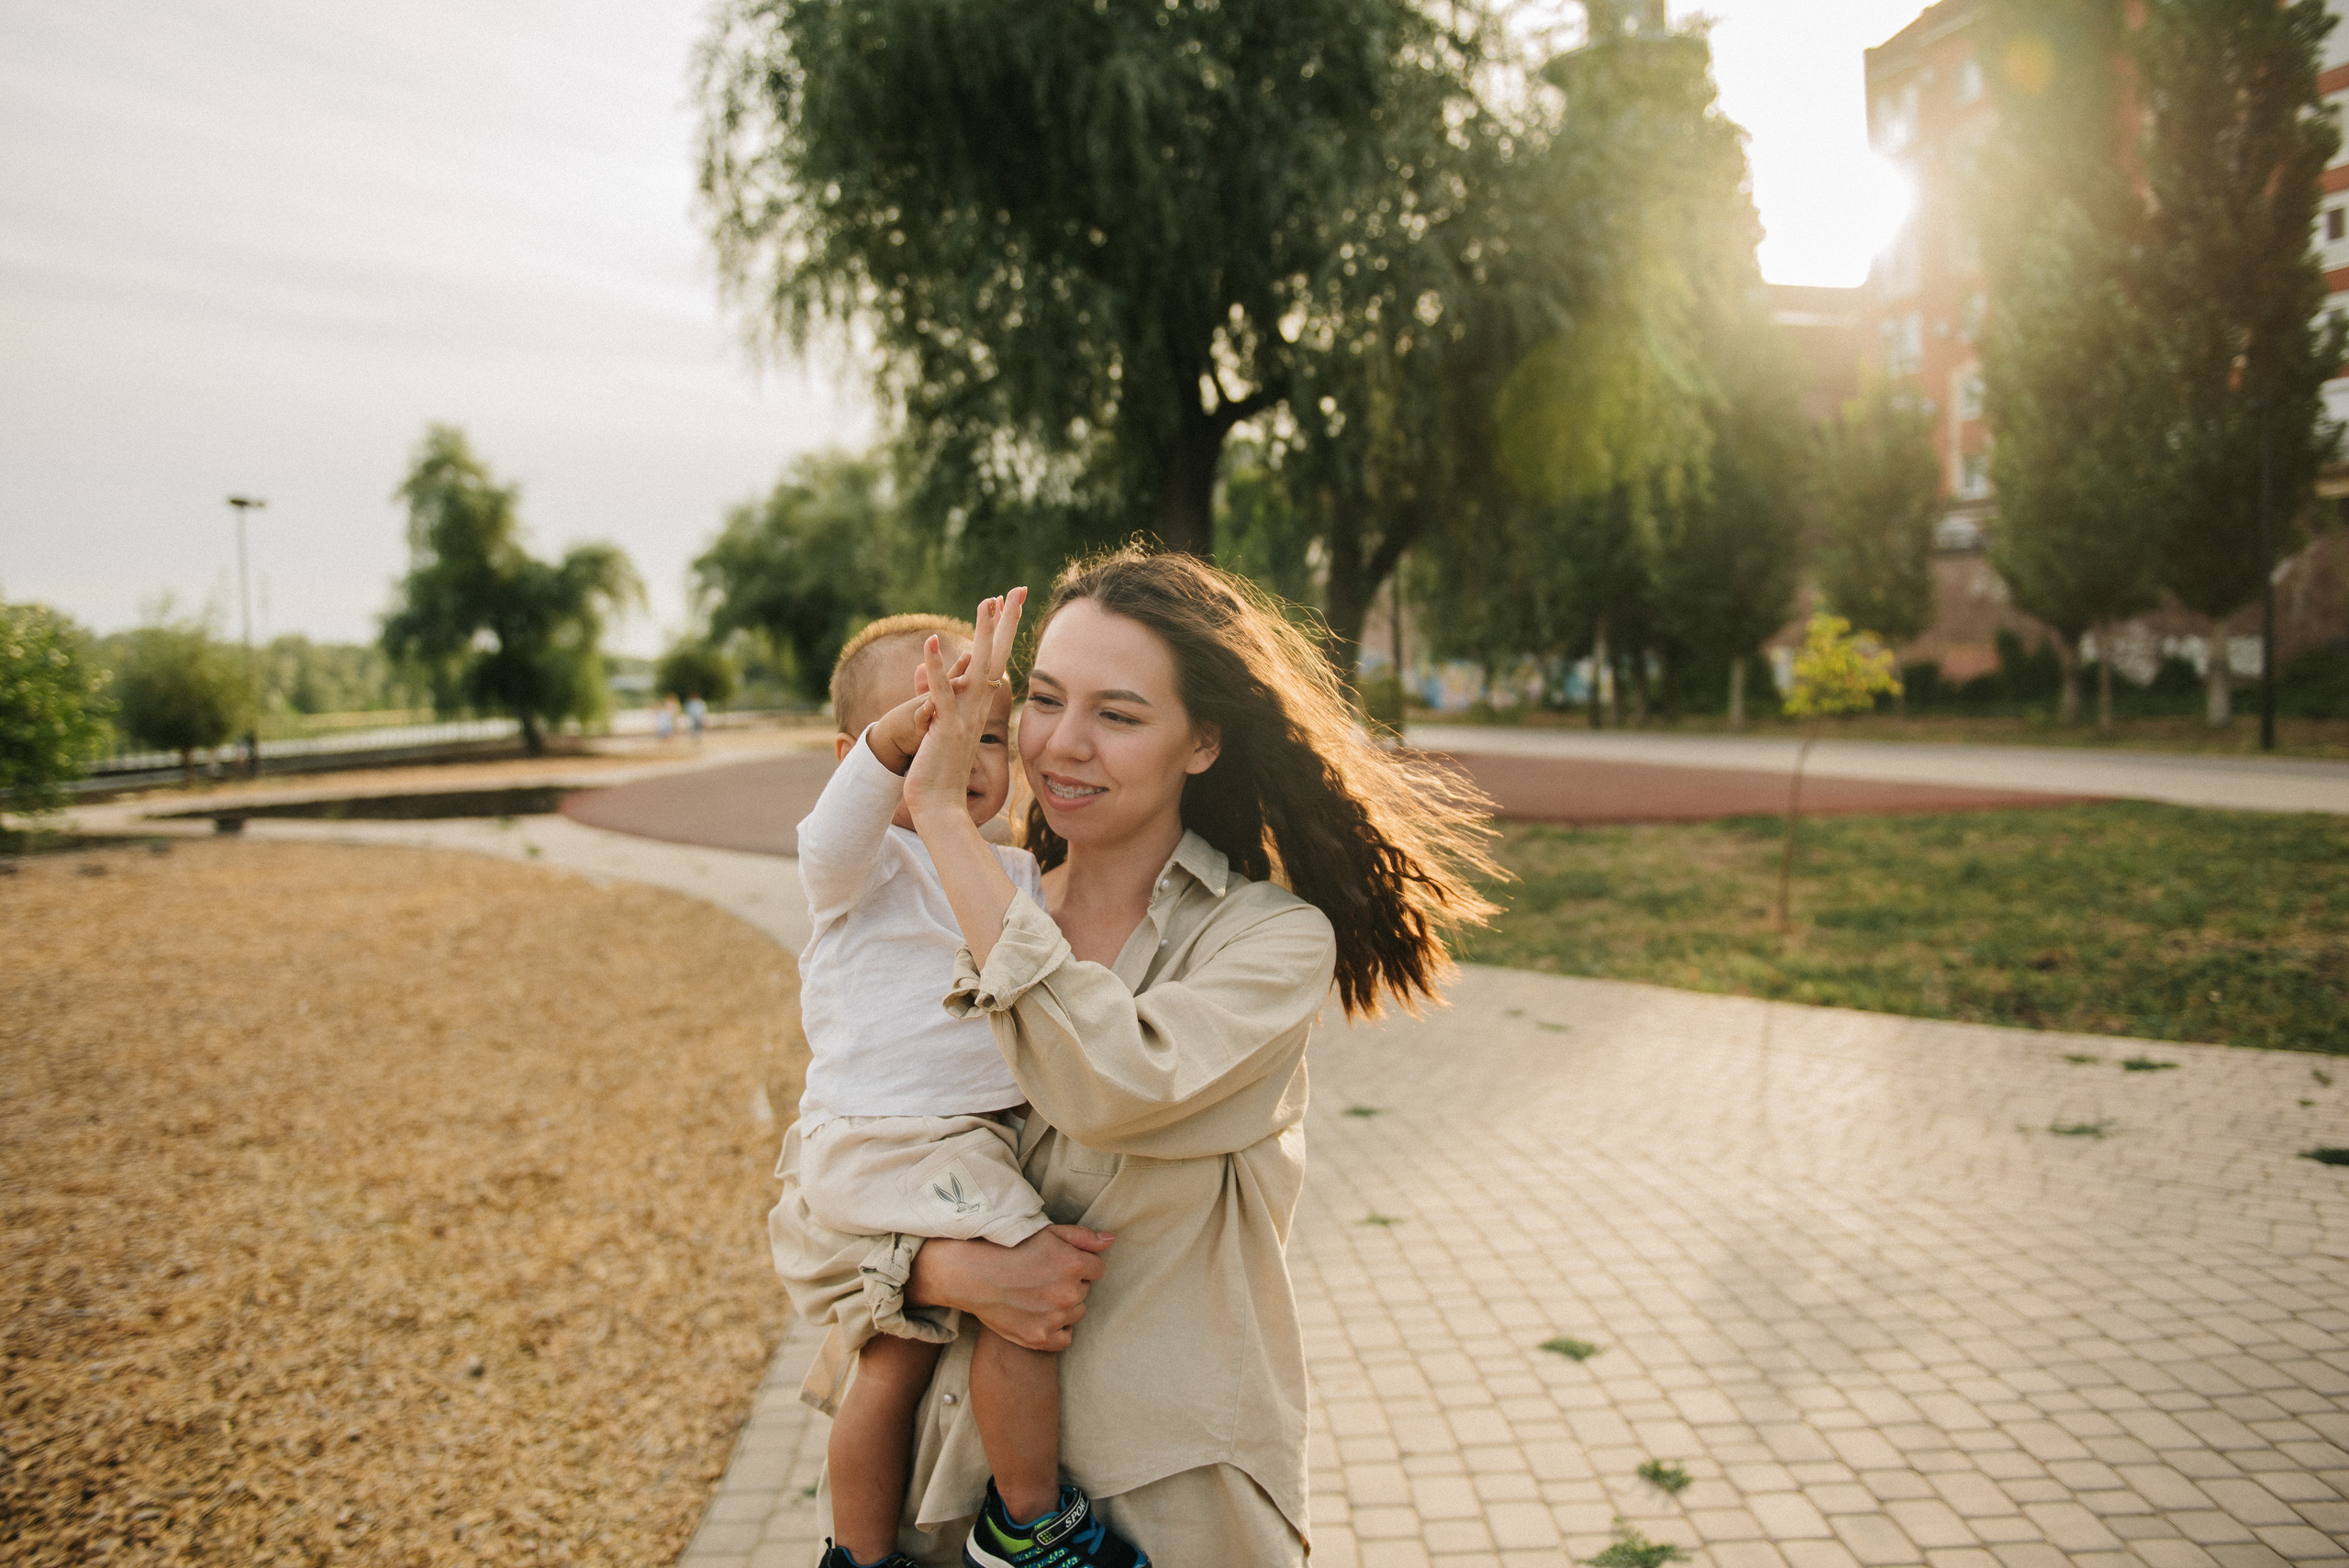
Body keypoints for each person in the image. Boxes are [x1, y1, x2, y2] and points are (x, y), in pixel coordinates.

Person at [771, 549, 1497, 1564]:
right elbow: (809, 1213)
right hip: (937, 1488)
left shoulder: (1266, 942)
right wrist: (947, 1267)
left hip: (1164, 1487)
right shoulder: (954, 907)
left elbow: (1106, 1085)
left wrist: (943, 821)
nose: (1063, 745)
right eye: (1048, 701)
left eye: (1117, 714)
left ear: (1201, 739)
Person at [776, 609, 1149, 1568]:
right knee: (1025, 1289)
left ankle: (857, 1556)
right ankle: (1028, 1523)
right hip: (890, 1138)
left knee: (889, 1358)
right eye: (928, 729)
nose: (967, 757)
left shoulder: (1014, 868)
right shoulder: (865, 864)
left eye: (987, 732)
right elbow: (831, 829)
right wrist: (897, 751)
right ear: (860, 751)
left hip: (949, 1142)